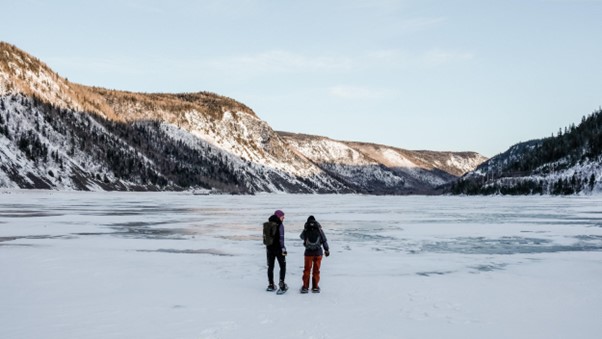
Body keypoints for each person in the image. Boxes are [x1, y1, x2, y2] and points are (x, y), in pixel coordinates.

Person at [299, 215, 329, 293]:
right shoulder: (319, 229)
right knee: (316, 270)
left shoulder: (306, 229)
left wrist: (305, 230)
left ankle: (305, 287)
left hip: (308, 253)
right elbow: (324, 240)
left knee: (307, 270)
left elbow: (301, 237)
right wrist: (327, 250)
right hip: (318, 253)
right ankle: (315, 287)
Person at [265, 210, 287, 292]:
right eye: (282, 216)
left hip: (269, 249)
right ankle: (282, 284)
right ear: (278, 216)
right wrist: (283, 249)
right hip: (278, 249)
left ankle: (271, 285)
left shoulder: (268, 224)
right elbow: (281, 239)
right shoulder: (280, 225)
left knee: (270, 267)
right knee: (283, 266)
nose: (283, 218)